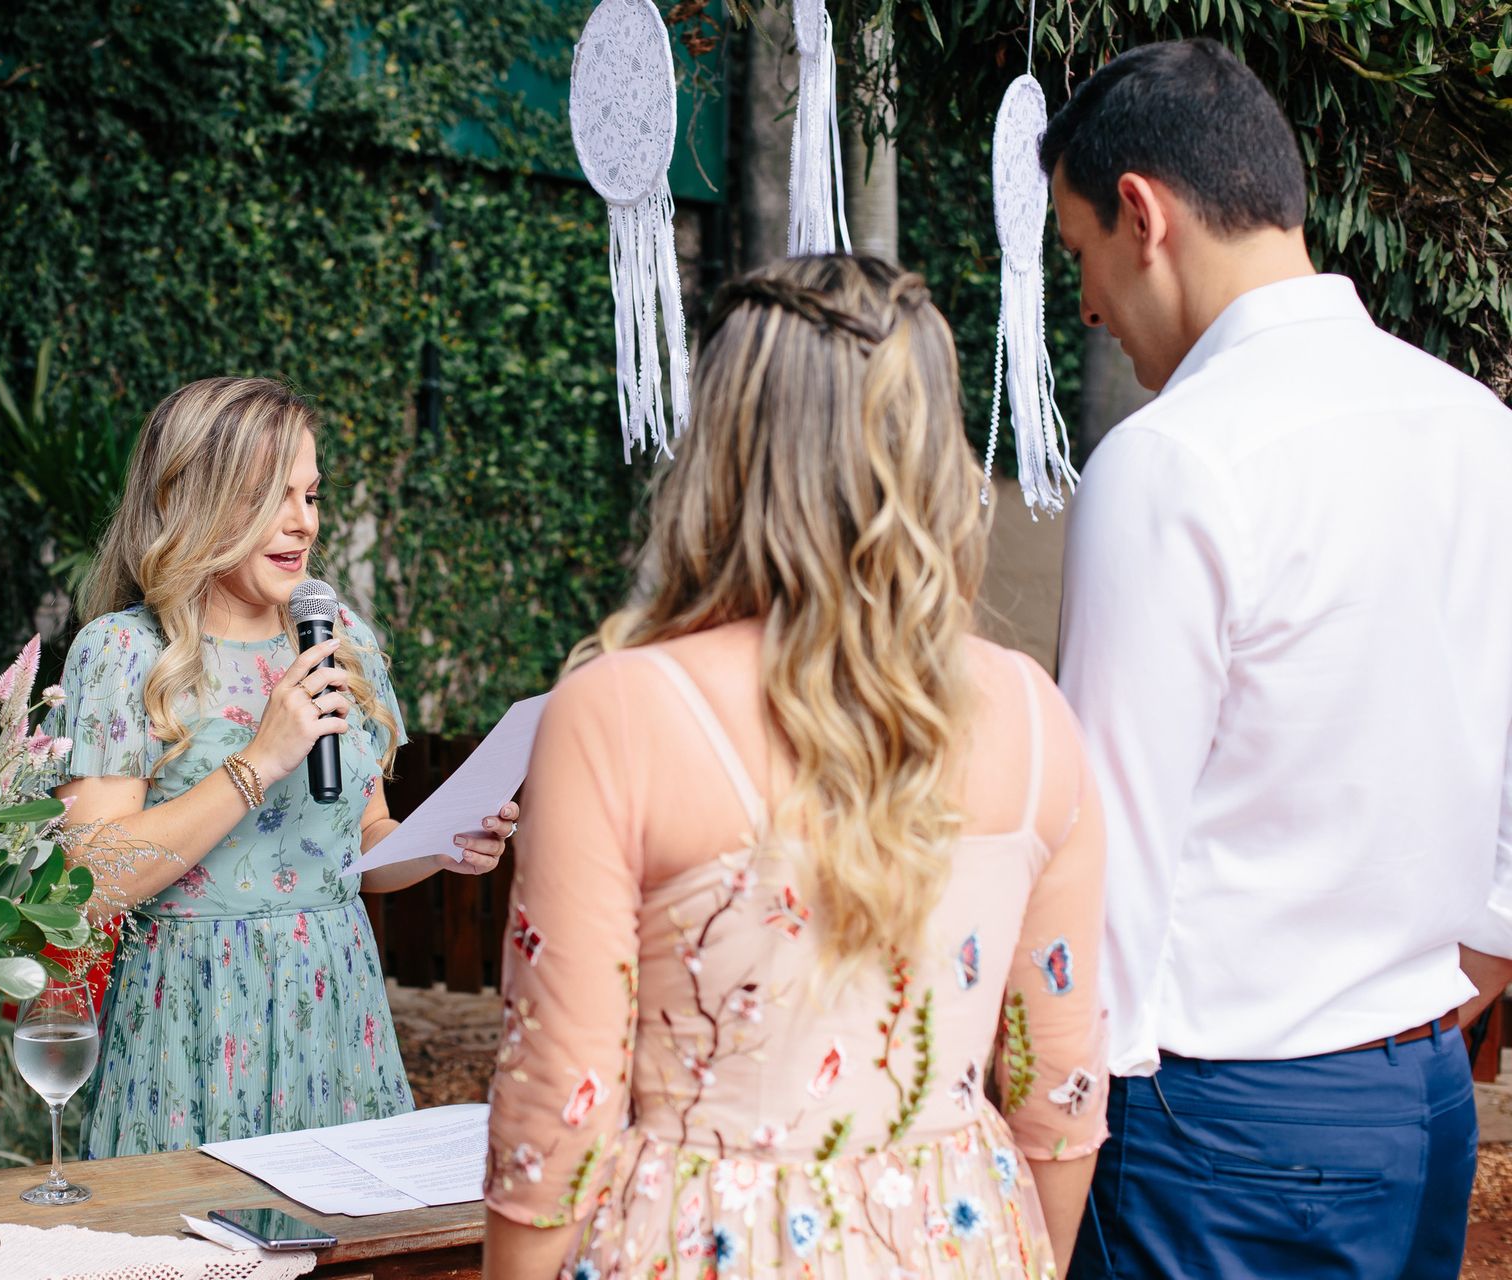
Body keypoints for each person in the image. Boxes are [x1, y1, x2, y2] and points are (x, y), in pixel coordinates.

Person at [482, 254, 1109, 1279]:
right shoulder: (1036, 717)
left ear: (723, 446)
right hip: (965, 1241)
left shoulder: (621, 708)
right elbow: (1060, 1094)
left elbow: (559, 1112)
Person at [1046, 39, 1512, 1279]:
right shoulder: (1481, 429)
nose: (1087, 303)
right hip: (1422, 1090)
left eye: (1080, 255)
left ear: (1141, 212)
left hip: (1211, 1121)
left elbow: (1110, 871)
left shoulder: (1169, 460)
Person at [43, 376, 517, 1157]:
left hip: (337, 1005)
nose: (303, 524)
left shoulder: (338, 639)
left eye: (311, 495)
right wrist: (257, 762)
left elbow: (362, 848)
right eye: (273, 497)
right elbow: (89, 882)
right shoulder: (125, 652)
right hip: (191, 1011)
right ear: (195, 499)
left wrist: (438, 845)